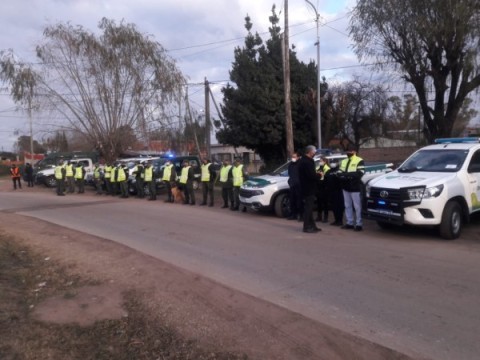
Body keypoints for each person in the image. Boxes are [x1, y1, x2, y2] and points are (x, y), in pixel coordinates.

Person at [338, 144, 365, 231]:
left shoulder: (359, 160)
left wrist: (345, 175)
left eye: (350, 151)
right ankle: (349, 222)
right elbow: (339, 172)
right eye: (347, 151)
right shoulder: (344, 161)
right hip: (345, 186)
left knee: (357, 207)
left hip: (355, 187)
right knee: (347, 205)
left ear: (354, 152)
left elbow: (359, 173)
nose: (348, 153)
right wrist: (345, 175)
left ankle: (359, 224)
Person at [298, 145, 321, 233]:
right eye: (314, 151)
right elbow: (311, 175)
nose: (315, 152)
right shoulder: (307, 162)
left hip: (304, 187)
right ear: (310, 152)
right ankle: (306, 226)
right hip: (309, 188)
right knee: (308, 208)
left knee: (309, 207)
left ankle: (312, 225)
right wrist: (319, 175)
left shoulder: (302, 160)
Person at [324, 161, 344, 226]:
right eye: (331, 162)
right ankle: (336, 220)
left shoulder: (339, 171)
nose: (332, 164)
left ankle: (340, 220)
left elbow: (341, 179)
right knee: (334, 206)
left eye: (334, 162)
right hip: (331, 191)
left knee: (339, 206)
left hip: (338, 191)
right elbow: (325, 179)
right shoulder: (329, 171)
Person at [287, 151, 303, 221]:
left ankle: (301, 215)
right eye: (292, 157)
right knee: (292, 200)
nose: (293, 158)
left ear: (298, 157)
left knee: (299, 201)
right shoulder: (291, 164)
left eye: (294, 157)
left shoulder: (301, 164)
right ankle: (293, 214)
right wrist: (290, 181)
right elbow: (290, 174)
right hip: (292, 184)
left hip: (299, 185)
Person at [316, 156, 331, 223]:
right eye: (320, 161)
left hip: (325, 187)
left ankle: (325, 217)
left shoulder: (327, 169)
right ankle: (319, 216)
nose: (320, 162)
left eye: (321, 161)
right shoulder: (317, 168)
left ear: (325, 161)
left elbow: (326, 178)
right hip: (318, 187)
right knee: (319, 203)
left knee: (325, 203)